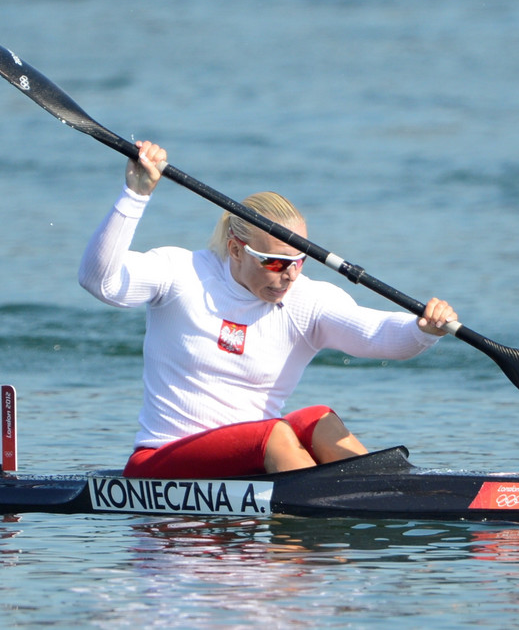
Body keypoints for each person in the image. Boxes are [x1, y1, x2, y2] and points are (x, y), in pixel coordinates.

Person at [79, 141, 458, 479]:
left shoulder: (306, 301)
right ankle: (334, 511)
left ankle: (388, 494)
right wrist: (135, 194)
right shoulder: (181, 273)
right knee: (274, 433)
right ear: (236, 249)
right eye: (274, 262)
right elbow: (100, 281)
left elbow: (378, 335)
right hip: (161, 462)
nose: (290, 274)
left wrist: (424, 329)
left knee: (317, 419)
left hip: (254, 459)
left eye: (299, 261)